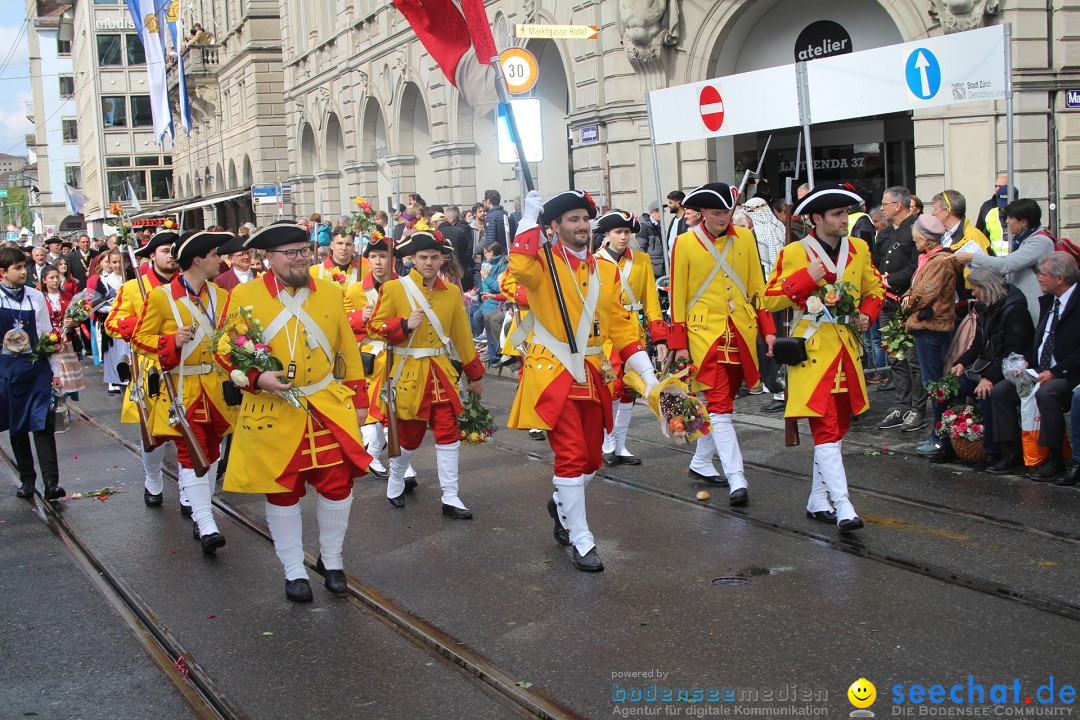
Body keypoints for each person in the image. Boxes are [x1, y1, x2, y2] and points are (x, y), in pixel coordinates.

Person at [217, 222, 372, 602]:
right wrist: (255, 377)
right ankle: (292, 569)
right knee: (282, 492)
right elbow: (224, 347)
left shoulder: (332, 293)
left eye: (303, 250)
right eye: (290, 253)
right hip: (274, 409)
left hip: (324, 405)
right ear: (268, 259)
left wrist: (360, 398)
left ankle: (332, 560)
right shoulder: (245, 294)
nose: (300, 258)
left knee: (338, 484)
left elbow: (347, 350)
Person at [507, 189, 659, 572]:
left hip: (593, 373)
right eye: (571, 219)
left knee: (592, 458)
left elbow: (623, 329)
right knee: (572, 455)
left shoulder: (606, 271)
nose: (581, 226)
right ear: (554, 226)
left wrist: (650, 376)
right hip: (554, 372)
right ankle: (582, 540)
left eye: (584, 219)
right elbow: (520, 271)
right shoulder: (541, 263)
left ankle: (561, 503)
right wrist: (527, 220)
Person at [764, 184, 885, 532]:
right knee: (827, 429)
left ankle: (819, 500)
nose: (845, 219)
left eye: (846, 213)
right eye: (837, 214)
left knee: (839, 429)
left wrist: (867, 313)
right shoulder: (794, 252)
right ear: (816, 218)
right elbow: (770, 298)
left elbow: (875, 288)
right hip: (812, 355)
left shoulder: (859, 248)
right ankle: (844, 505)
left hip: (847, 351)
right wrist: (806, 278)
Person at [668, 183, 775, 506]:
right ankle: (737, 479)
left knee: (723, 403)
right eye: (716, 213)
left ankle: (701, 462)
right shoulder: (684, 243)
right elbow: (678, 298)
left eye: (727, 212)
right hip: (703, 338)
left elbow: (758, 287)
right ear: (702, 212)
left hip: (740, 334)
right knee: (720, 408)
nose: (722, 218)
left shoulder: (745, 237)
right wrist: (680, 344)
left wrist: (768, 330)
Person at [367, 230, 486, 518]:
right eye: (424, 258)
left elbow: (462, 335)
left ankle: (451, 497)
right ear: (413, 260)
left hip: (441, 373)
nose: (429, 263)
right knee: (409, 438)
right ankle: (396, 478)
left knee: (448, 434)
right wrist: (404, 324)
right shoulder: (395, 289)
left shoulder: (453, 293)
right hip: (408, 375)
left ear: (443, 259)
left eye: (435, 257)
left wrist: (475, 373)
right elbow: (375, 327)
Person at [134, 231, 236, 554]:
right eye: (216, 255)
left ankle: (200, 515)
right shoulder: (162, 297)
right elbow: (140, 338)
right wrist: (170, 342)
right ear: (198, 259)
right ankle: (206, 523)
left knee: (212, 452)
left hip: (216, 389)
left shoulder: (221, 295)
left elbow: (232, 336)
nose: (221, 260)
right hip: (182, 388)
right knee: (189, 453)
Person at [105, 232, 182, 512]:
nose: (171, 254)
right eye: (165, 250)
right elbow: (112, 324)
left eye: (175, 249)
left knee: (188, 429)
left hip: (186, 365)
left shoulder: (189, 285)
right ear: (152, 256)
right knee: (153, 434)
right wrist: (148, 320)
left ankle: (189, 492)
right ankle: (153, 479)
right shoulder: (133, 289)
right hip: (150, 366)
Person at [987, 252, 1080, 481]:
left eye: (1044, 275)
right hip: (1041, 368)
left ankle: (1055, 458)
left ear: (1060, 278)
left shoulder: (1076, 303)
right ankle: (1013, 452)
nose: (1039, 278)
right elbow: (1041, 339)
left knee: (1047, 394)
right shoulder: (1050, 301)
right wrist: (1027, 361)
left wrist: (1055, 372)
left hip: (1069, 372)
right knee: (1000, 391)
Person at [933, 266, 1033, 466]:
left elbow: (1013, 353)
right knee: (942, 390)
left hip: (1012, 369)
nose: (972, 293)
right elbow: (978, 345)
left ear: (986, 288)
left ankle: (992, 451)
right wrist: (961, 363)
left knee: (986, 393)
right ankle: (946, 443)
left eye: (974, 289)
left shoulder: (1015, 310)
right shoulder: (985, 307)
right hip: (988, 366)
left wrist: (989, 378)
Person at [595, 210, 668, 466]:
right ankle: (607, 443)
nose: (624, 237)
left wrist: (660, 338)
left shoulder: (642, 260)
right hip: (605, 336)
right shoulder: (594, 262)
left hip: (632, 332)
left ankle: (622, 445)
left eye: (627, 232)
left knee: (629, 391)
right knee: (611, 389)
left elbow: (651, 301)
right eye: (618, 232)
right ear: (607, 234)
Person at [345, 233, 411, 483]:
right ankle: (396, 463)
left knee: (396, 412)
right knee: (379, 411)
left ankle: (374, 454)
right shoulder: (355, 291)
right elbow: (342, 322)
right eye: (373, 257)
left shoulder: (404, 286)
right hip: (370, 358)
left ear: (392, 259)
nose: (379, 262)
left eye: (384, 256)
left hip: (398, 354)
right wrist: (360, 316)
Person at [0, 247, 64, 500]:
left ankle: (51, 483)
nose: (23, 271)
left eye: (23, 266)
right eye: (17, 268)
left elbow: (48, 334)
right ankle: (27, 479)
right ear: (3, 272)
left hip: (36, 369)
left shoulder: (35, 297)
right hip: (7, 372)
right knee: (17, 428)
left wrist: (55, 370)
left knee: (43, 424)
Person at [902, 215, 958, 456]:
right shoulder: (931, 259)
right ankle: (941, 433)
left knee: (935, 384)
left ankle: (941, 436)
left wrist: (905, 304)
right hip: (927, 326)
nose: (914, 241)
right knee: (933, 383)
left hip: (931, 327)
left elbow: (923, 295)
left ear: (925, 238)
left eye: (916, 237)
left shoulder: (939, 261)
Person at [954, 198, 1055, 324]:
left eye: (1011, 218)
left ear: (1023, 222)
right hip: (1022, 304)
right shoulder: (1024, 240)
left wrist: (973, 257)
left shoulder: (1040, 242)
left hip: (1035, 306)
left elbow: (1008, 264)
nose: (1007, 221)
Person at [875, 186, 925, 433]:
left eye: (885, 204)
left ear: (898, 205)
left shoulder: (915, 228)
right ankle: (902, 403)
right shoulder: (884, 234)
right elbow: (876, 261)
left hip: (907, 303)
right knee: (896, 358)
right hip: (888, 304)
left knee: (913, 360)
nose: (882, 208)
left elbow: (917, 266)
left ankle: (918, 408)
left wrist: (890, 281)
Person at [90, 250, 129, 395]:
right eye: (114, 262)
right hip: (112, 323)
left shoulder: (133, 278)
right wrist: (114, 308)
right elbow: (98, 305)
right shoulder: (105, 281)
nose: (118, 265)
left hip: (130, 323)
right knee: (114, 352)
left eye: (120, 261)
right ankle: (115, 380)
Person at [478, 242, 509, 367]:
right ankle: (492, 349)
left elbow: (500, 288)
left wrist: (486, 277)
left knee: (493, 318)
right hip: (494, 299)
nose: (484, 256)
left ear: (492, 252)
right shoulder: (487, 264)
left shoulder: (503, 266)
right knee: (478, 315)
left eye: (486, 253)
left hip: (503, 302)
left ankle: (501, 350)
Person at [309, 230, 367, 298]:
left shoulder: (363, 272)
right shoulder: (314, 271)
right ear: (332, 245)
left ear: (353, 247)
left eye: (348, 244)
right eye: (340, 243)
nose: (344, 248)